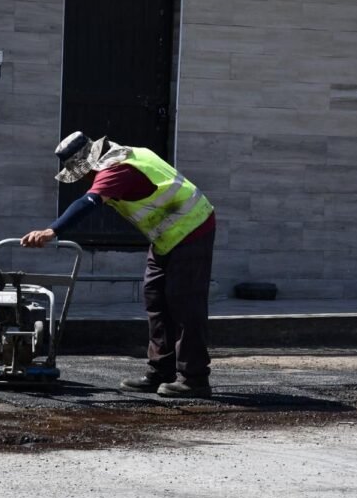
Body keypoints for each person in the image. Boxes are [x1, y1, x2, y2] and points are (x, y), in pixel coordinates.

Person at [21, 131, 216, 398]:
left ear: (89, 164)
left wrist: (51, 231)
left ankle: (195, 379)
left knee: (185, 303)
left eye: (83, 174)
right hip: (167, 236)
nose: (86, 180)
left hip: (193, 227)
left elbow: (88, 202)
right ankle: (161, 371)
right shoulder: (128, 154)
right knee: (156, 298)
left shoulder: (117, 169)